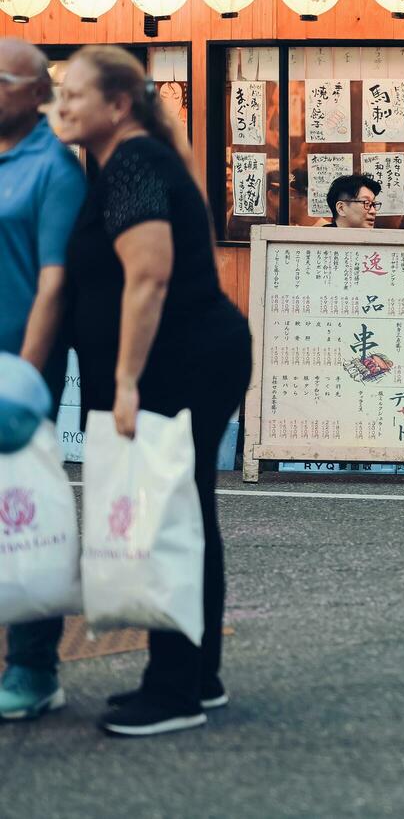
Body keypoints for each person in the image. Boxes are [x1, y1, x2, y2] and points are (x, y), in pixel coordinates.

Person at [54, 45, 252, 737]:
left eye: (75, 93)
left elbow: (150, 276)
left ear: (118, 106)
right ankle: (198, 673)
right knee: (186, 509)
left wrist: (127, 381)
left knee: (168, 513)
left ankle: (174, 692)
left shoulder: (134, 162)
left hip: (178, 362)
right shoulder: (125, 162)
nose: (63, 104)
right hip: (193, 355)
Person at [0, 39, 86, 723]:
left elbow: (56, 281)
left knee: (22, 513)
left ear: (36, 95)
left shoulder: (53, 167)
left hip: (17, 366)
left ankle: (34, 667)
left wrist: (26, 380)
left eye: (2, 79)